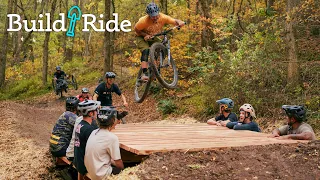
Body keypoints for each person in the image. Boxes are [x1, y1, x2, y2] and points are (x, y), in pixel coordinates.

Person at [134, 2, 185, 81]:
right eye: (152, 16)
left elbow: (174, 21)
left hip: (153, 36)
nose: (155, 18)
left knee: (161, 47)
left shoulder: (163, 17)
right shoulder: (143, 21)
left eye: (156, 15)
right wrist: (145, 35)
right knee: (146, 50)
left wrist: (180, 22)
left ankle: (155, 69)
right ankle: (145, 73)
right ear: (148, 15)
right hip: (141, 36)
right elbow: (136, 30)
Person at [85, 107, 124, 179]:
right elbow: (118, 162)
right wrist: (123, 170)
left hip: (91, 171)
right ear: (112, 120)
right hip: (102, 174)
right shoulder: (112, 138)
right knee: (126, 171)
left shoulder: (94, 132)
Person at [74, 100, 100, 179]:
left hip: (78, 161)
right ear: (90, 113)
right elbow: (96, 149)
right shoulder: (88, 130)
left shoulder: (80, 124)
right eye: (96, 110)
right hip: (84, 165)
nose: (97, 112)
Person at [49, 96, 79, 165]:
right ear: (76, 108)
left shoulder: (65, 114)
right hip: (60, 149)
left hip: (53, 147)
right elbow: (83, 127)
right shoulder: (73, 117)